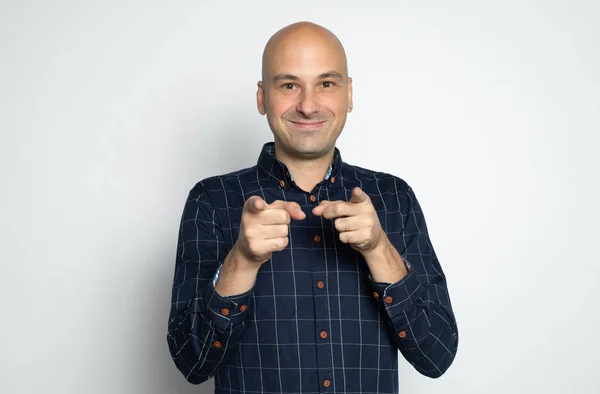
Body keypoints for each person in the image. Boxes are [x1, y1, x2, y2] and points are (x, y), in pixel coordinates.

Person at [167, 21, 458, 393]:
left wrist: (378, 249)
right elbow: (192, 364)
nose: (308, 105)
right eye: (289, 85)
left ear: (348, 94)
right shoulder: (210, 201)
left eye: (326, 84)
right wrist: (241, 260)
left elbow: (437, 356)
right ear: (262, 97)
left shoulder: (394, 198)